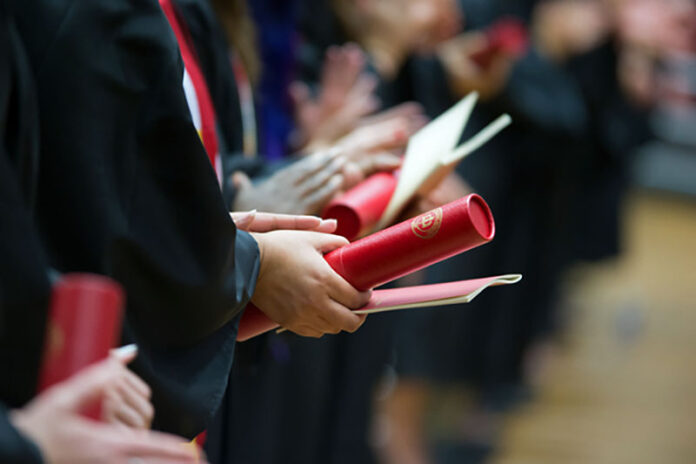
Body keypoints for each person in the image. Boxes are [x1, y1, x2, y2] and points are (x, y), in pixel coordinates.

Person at [9, 0, 370, 440]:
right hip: (82, 361)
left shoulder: (198, 14)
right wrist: (249, 259)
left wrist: (302, 174)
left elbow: (197, 162)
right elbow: (102, 199)